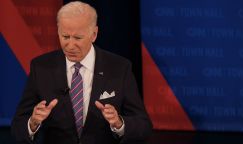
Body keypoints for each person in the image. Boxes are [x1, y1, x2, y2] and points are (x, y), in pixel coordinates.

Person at [11, 1, 152, 144]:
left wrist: (119, 123)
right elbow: (17, 127)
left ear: (94, 34)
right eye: (65, 37)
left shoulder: (119, 67)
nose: (70, 45)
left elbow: (143, 126)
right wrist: (33, 122)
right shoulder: (41, 67)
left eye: (78, 38)